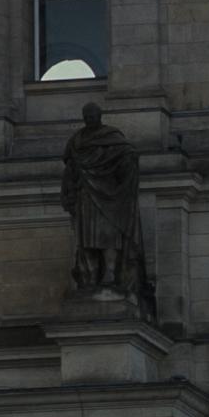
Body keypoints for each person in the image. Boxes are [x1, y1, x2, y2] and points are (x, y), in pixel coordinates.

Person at [59, 102, 151, 304]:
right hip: (86, 197)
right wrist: (70, 193)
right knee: (87, 241)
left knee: (109, 237)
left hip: (110, 198)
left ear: (100, 116)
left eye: (92, 115)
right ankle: (90, 279)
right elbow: (70, 169)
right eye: (86, 116)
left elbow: (128, 157)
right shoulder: (76, 140)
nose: (90, 118)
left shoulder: (112, 137)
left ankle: (110, 273)